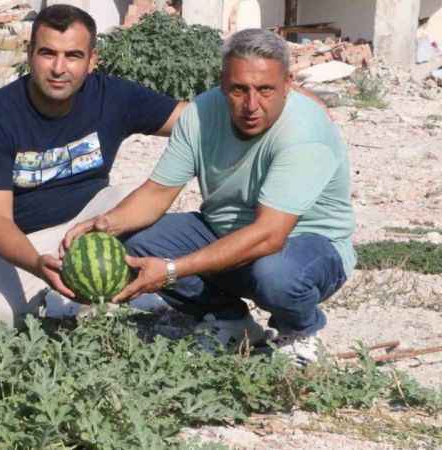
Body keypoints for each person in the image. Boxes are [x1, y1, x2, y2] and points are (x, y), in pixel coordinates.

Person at [62, 28, 356, 366]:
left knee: (276, 275)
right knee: (134, 242)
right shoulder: (201, 114)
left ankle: (299, 332)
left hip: (305, 246)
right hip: (226, 232)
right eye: (238, 89)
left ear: (288, 83)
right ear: (222, 82)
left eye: (265, 90)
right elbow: (157, 193)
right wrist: (105, 224)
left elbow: (270, 235)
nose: (251, 105)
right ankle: (231, 322)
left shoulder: (304, 131)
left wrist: (172, 269)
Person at [0, 4, 188, 329]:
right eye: (47, 53)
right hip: (18, 241)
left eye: (72, 55)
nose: (59, 68)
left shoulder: (112, 97)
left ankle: (92, 295)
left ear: (92, 60)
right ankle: (52, 292)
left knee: (129, 201)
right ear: (29, 54)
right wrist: (38, 264)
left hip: (90, 223)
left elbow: (194, 122)